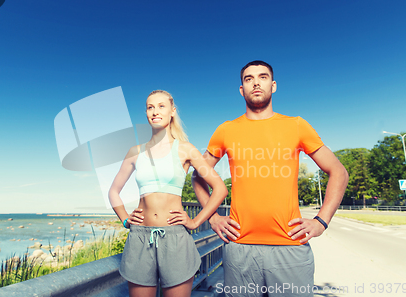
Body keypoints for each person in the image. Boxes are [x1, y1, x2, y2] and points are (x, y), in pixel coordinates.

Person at [192, 61, 349, 297]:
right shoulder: (226, 129)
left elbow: (339, 171)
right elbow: (198, 175)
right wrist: (212, 218)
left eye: (263, 77)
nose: (256, 82)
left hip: (290, 247)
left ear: (273, 85)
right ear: (241, 89)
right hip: (239, 248)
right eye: (248, 79)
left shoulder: (297, 125)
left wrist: (321, 221)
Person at [109, 90, 228, 297]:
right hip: (139, 238)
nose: (155, 111)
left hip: (175, 238)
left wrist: (195, 221)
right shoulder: (135, 152)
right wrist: (126, 220)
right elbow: (113, 191)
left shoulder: (185, 150)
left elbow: (220, 188)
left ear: (172, 111)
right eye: (150, 107)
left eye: (161, 106)